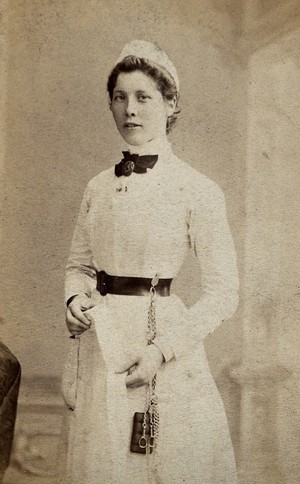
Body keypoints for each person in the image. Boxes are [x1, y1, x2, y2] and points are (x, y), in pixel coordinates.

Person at [62, 40, 239, 483]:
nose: (130, 110)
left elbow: (224, 292)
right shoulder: (97, 188)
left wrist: (161, 351)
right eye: (120, 98)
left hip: (159, 347)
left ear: (170, 103)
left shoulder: (197, 189)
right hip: (101, 344)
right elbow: (79, 266)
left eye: (144, 97)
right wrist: (74, 300)